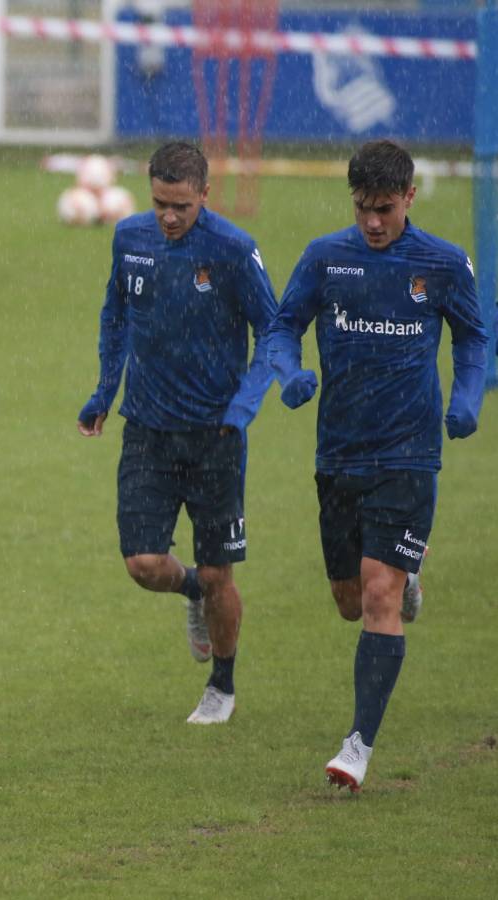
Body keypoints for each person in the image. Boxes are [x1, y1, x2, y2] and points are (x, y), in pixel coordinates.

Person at [268, 139, 488, 792]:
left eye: (384, 209)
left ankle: (357, 745)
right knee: (346, 600)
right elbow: (283, 325)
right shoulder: (325, 258)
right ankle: (407, 577)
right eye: (362, 208)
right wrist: (289, 372)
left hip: (408, 455)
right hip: (337, 452)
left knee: (375, 592)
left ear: (409, 198)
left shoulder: (442, 264)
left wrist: (467, 395)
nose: (371, 222)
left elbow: (473, 336)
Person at [77, 141, 279, 726]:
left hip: (215, 437)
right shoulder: (130, 239)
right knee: (142, 563)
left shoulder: (234, 251)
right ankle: (188, 590)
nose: (169, 216)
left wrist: (245, 404)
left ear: (205, 197)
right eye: (161, 203)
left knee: (222, 575)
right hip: (147, 430)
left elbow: (274, 333)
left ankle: (222, 684)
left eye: (182, 206)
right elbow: (115, 314)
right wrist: (103, 392)